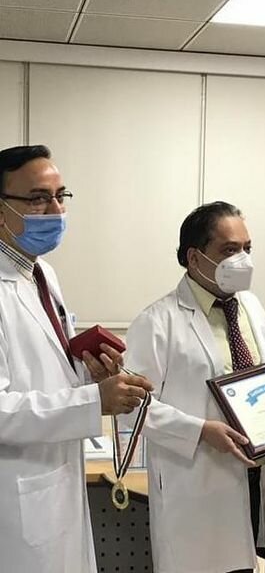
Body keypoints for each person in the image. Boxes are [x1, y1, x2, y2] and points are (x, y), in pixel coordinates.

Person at [0, 144, 153, 573]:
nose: (55, 210)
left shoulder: (41, 272)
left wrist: (90, 373)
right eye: (37, 198)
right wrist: (93, 401)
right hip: (16, 494)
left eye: (60, 196)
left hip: (54, 479)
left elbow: (47, 368)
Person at [123, 201, 265, 573]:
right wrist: (199, 431)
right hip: (196, 480)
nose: (242, 260)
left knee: (247, 564)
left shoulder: (251, 307)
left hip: (255, 472)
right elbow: (132, 406)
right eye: (229, 250)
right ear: (194, 258)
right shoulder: (157, 322)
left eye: (247, 248)